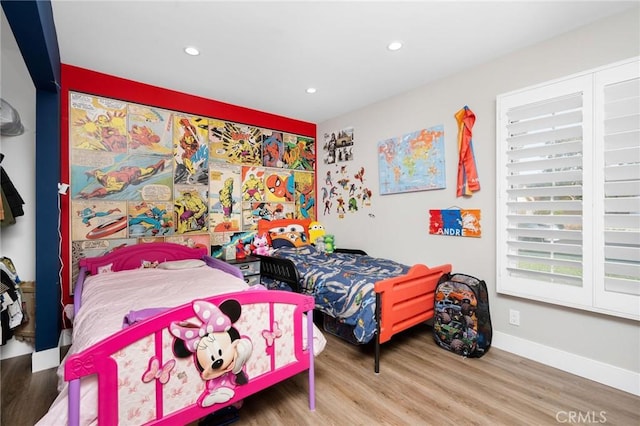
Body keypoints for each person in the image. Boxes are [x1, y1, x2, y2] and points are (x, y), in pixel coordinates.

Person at [78, 159, 166, 199]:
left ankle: (92, 175)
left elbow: (105, 190)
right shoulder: (118, 179)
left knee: (150, 171)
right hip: (110, 178)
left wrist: (91, 195)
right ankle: (92, 174)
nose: (132, 170)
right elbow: (105, 189)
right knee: (98, 174)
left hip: (111, 180)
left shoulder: (120, 182)